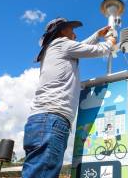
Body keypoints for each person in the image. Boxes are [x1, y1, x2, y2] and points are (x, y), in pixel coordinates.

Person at [22, 17, 116, 178]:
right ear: (62, 31)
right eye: (71, 29)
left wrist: (96, 35)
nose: (74, 33)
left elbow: (81, 46)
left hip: (43, 122)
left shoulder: (54, 47)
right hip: (51, 120)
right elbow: (95, 50)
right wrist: (110, 43)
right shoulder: (62, 44)